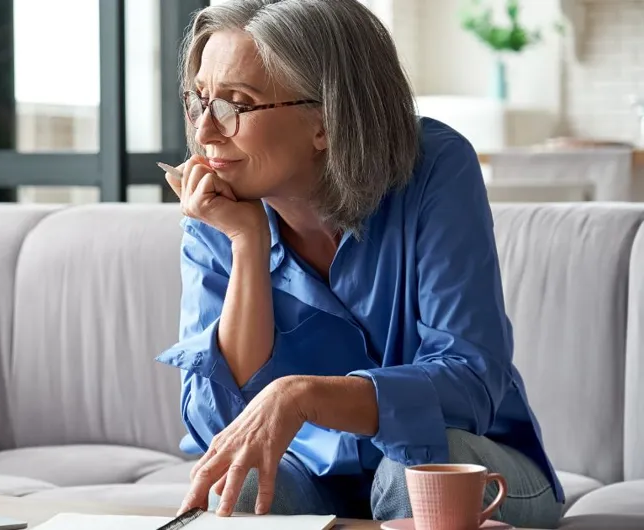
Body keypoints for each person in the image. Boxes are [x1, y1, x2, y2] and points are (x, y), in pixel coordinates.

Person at [154, 0, 564, 527]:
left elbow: (470, 383)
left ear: (325, 120)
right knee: (245, 485)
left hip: (472, 462)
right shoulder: (217, 212)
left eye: (235, 103)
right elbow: (221, 427)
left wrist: (303, 396)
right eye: (200, 100)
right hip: (311, 477)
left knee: (413, 470)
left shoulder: (435, 167)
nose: (206, 132)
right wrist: (247, 246)